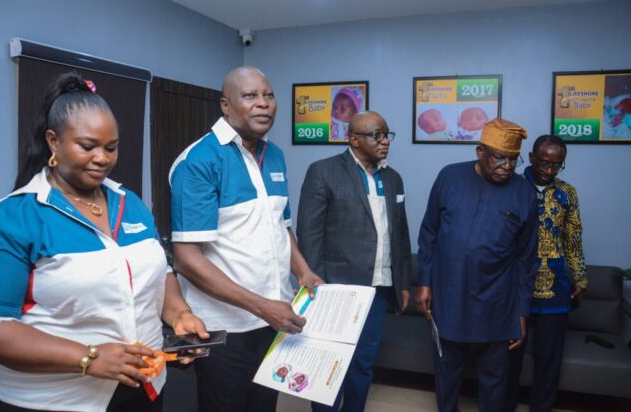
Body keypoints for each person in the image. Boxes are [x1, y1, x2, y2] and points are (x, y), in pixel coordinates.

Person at [0, 72, 207, 412]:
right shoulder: (14, 216)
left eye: (111, 147)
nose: (103, 158)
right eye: (87, 146)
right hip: (56, 400)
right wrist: (87, 357)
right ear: (53, 141)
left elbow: (159, 273)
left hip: (143, 386)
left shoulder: (130, 202)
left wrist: (180, 314)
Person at [169, 66, 323, 412]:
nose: (263, 103)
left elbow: (280, 225)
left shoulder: (275, 155)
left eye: (268, 96)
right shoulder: (199, 161)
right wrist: (262, 306)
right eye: (250, 96)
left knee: (263, 406)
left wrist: (303, 271)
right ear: (226, 105)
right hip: (224, 330)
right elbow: (186, 260)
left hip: (273, 319)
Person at [415, 118, 538, 412]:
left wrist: (522, 311)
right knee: (447, 372)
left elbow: (526, 259)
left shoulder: (524, 192)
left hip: (498, 301)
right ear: (480, 152)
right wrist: (424, 281)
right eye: (500, 158)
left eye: (513, 160)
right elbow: (429, 232)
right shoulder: (449, 177)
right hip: (451, 294)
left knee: (494, 379)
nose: (507, 167)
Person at [297, 111, 412, 412]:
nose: (385, 141)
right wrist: (315, 282)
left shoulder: (393, 178)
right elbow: (309, 232)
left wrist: (403, 282)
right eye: (377, 135)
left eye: (387, 134)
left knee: (363, 361)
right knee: (328, 360)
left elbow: (400, 234)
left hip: (379, 287)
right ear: (354, 139)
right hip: (336, 286)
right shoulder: (323, 171)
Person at [504, 135, 587, 412]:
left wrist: (579, 276)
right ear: (531, 158)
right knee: (509, 354)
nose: (549, 170)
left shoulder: (568, 192)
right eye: (543, 163)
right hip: (514, 287)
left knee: (548, 358)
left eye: (556, 165)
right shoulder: (511, 187)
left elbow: (572, 238)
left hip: (555, 288)